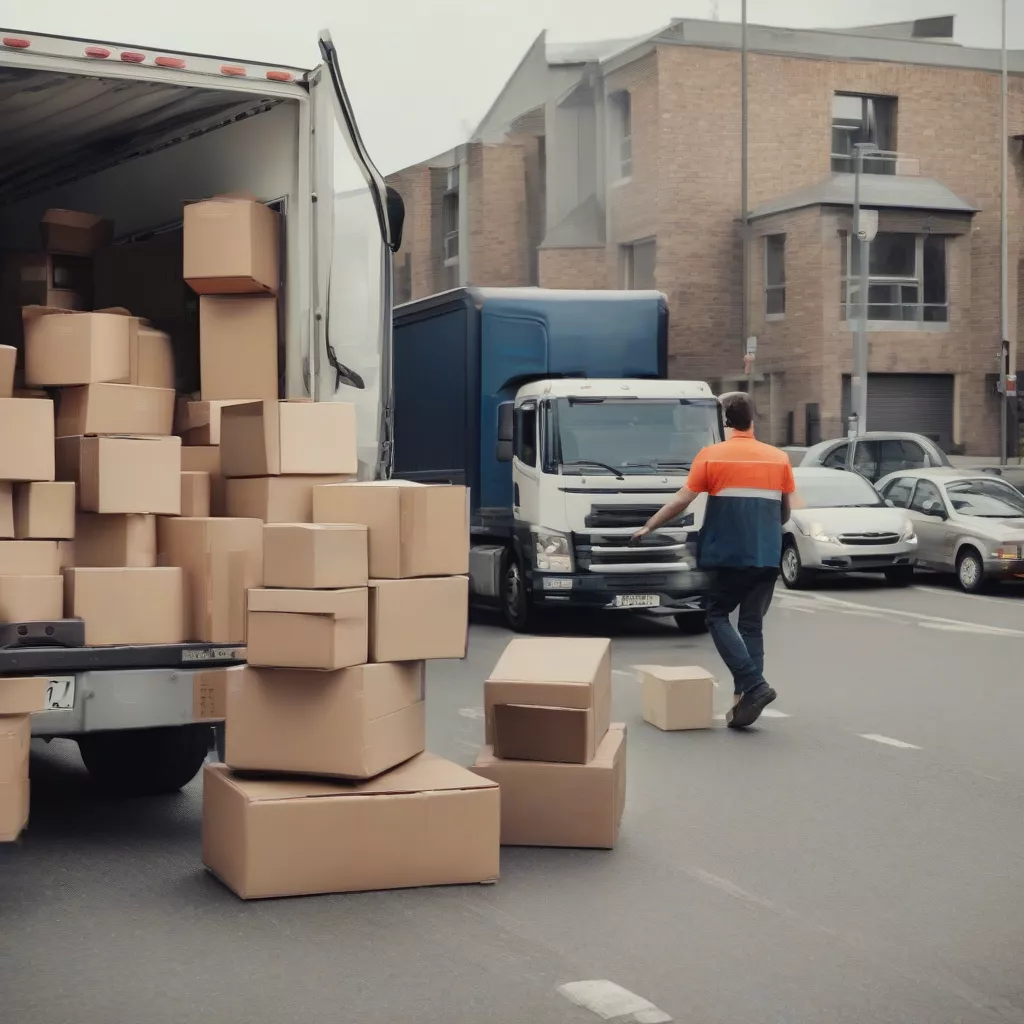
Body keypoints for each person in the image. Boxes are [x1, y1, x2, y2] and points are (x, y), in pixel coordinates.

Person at [631, 392, 795, 729]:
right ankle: (743, 701)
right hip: (766, 555)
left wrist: (650, 525)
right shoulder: (779, 458)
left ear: (725, 422)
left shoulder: (711, 456)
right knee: (751, 625)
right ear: (753, 420)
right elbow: (785, 511)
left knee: (717, 615)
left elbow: (682, 500)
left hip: (728, 556)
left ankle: (755, 685)